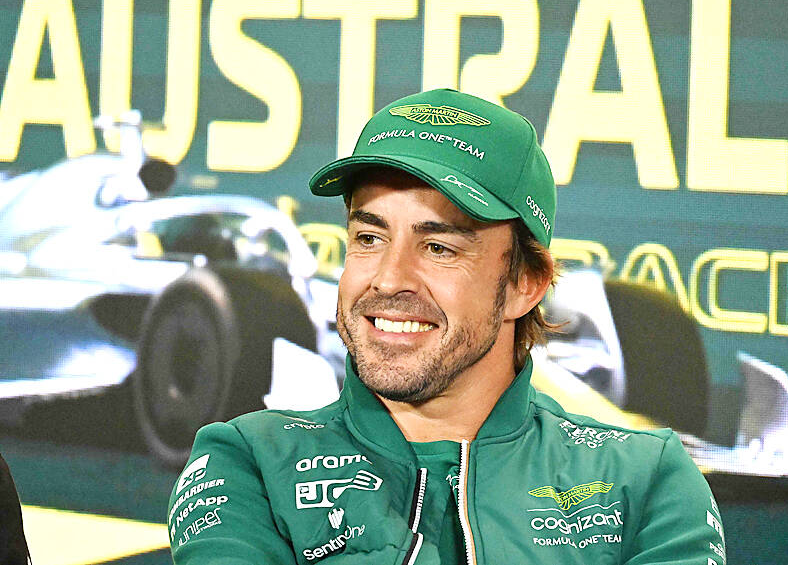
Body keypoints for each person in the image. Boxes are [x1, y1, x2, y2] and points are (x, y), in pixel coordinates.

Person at [167, 89, 726, 565]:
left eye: (438, 247)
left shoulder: (645, 480)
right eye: (369, 238)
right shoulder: (248, 462)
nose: (389, 279)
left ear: (524, 284)